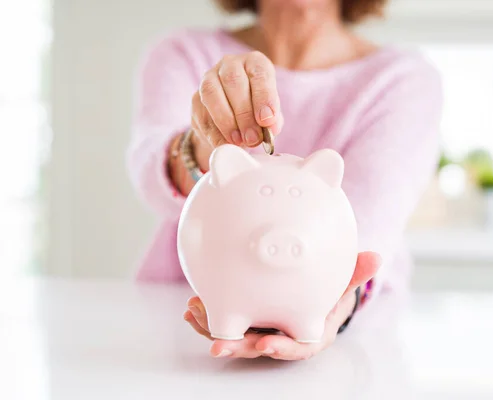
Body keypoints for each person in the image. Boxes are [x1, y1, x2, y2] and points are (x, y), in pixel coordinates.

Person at [126, 0, 443, 360]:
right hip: (178, 313)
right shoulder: (182, 53)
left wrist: (332, 306)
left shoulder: (405, 78)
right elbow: (149, 178)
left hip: (356, 339)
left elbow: (370, 220)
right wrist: (205, 143)